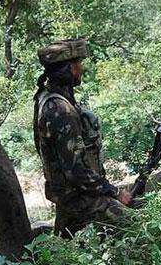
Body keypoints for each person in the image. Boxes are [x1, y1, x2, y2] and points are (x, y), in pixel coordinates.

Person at [32, 38, 131, 237]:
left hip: (68, 195)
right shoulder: (61, 110)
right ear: (67, 69)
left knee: (67, 250)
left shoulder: (46, 97)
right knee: (135, 226)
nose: (81, 69)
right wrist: (115, 192)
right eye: (78, 64)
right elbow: (76, 171)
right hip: (78, 196)